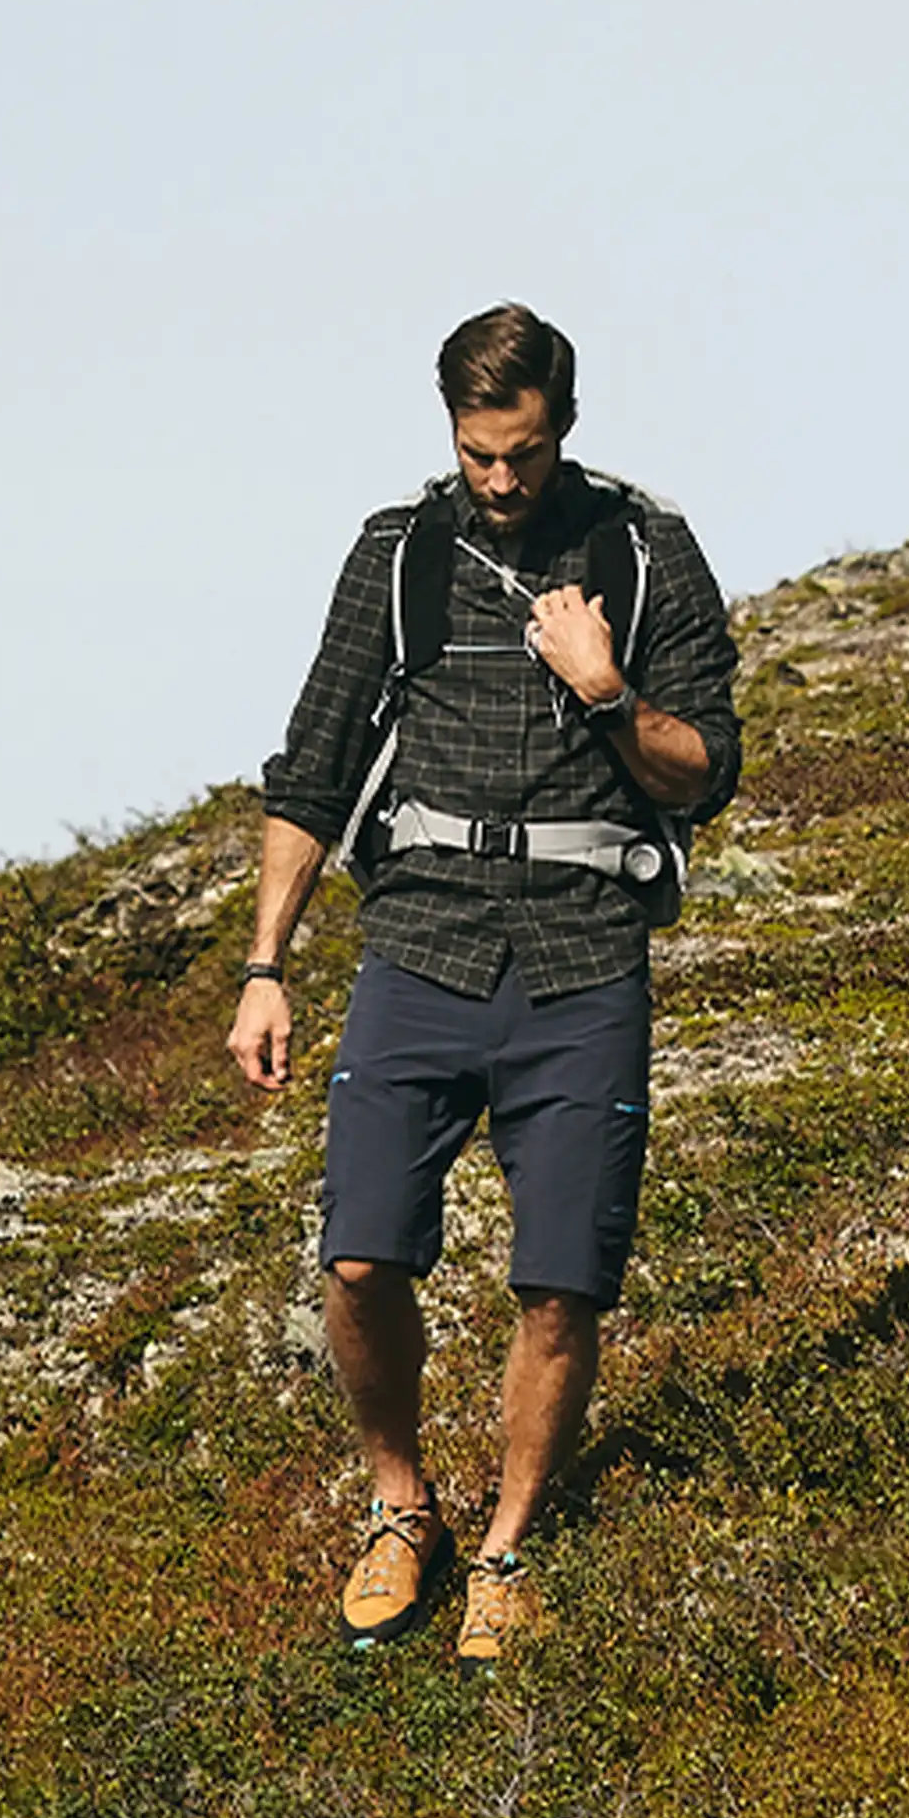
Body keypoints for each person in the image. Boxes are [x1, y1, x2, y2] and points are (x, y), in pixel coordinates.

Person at [233, 304, 741, 1656]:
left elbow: (709, 770)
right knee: (356, 1258)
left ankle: (509, 1551)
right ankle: (403, 1505)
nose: (499, 482)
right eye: (475, 455)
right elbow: (314, 764)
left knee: (562, 1283)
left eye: (519, 455)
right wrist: (265, 965)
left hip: (584, 958)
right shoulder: (398, 555)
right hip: (421, 944)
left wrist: (606, 691)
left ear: (562, 427)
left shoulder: (644, 549)